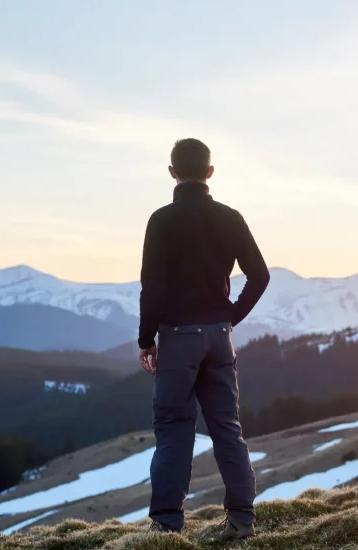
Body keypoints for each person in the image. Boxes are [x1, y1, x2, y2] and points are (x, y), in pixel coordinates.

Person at [138, 138, 270, 541]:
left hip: (178, 337)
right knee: (227, 426)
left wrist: (146, 340)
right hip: (218, 337)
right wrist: (229, 318)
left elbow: (152, 287)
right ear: (210, 172)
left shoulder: (161, 220)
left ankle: (167, 527)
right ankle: (242, 521)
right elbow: (260, 275)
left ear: (172, 172)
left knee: (174, 426)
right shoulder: (230, 217)